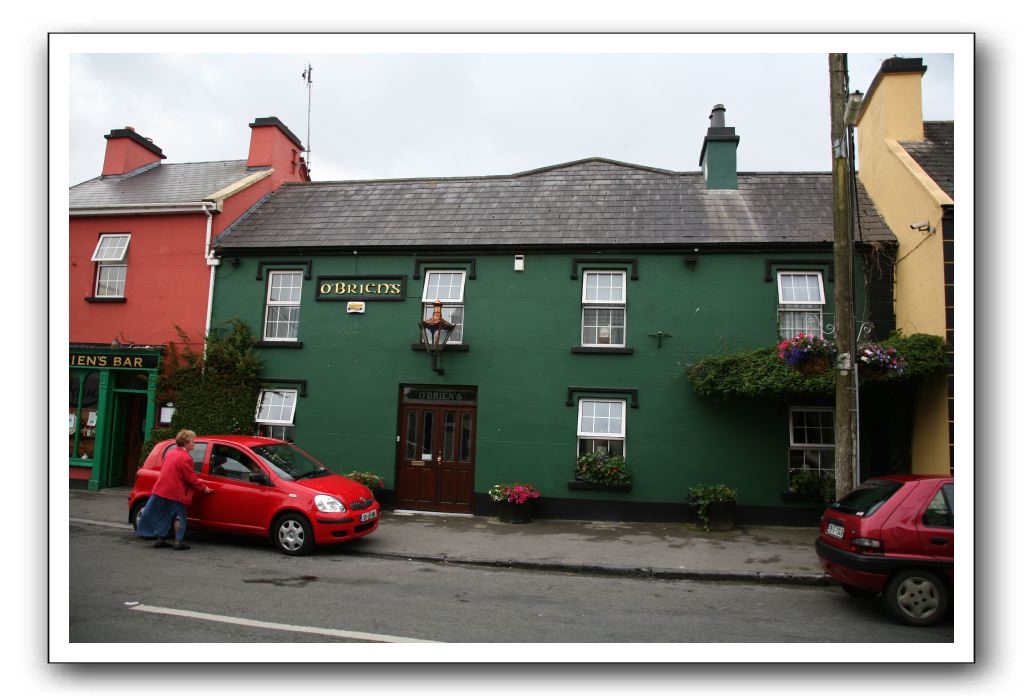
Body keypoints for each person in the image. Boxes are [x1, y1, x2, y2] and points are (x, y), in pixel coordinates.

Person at [135, 429, 214, 550]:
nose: (194, 443)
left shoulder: (170, 453)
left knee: (164, 515)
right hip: (174, 492)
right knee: (179, 516)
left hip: (160, 489)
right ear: (186, 442)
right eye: (193, 441)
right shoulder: (186, 458)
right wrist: (205, 489)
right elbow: (191, 479)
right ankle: (178, 542)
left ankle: (160, 539)